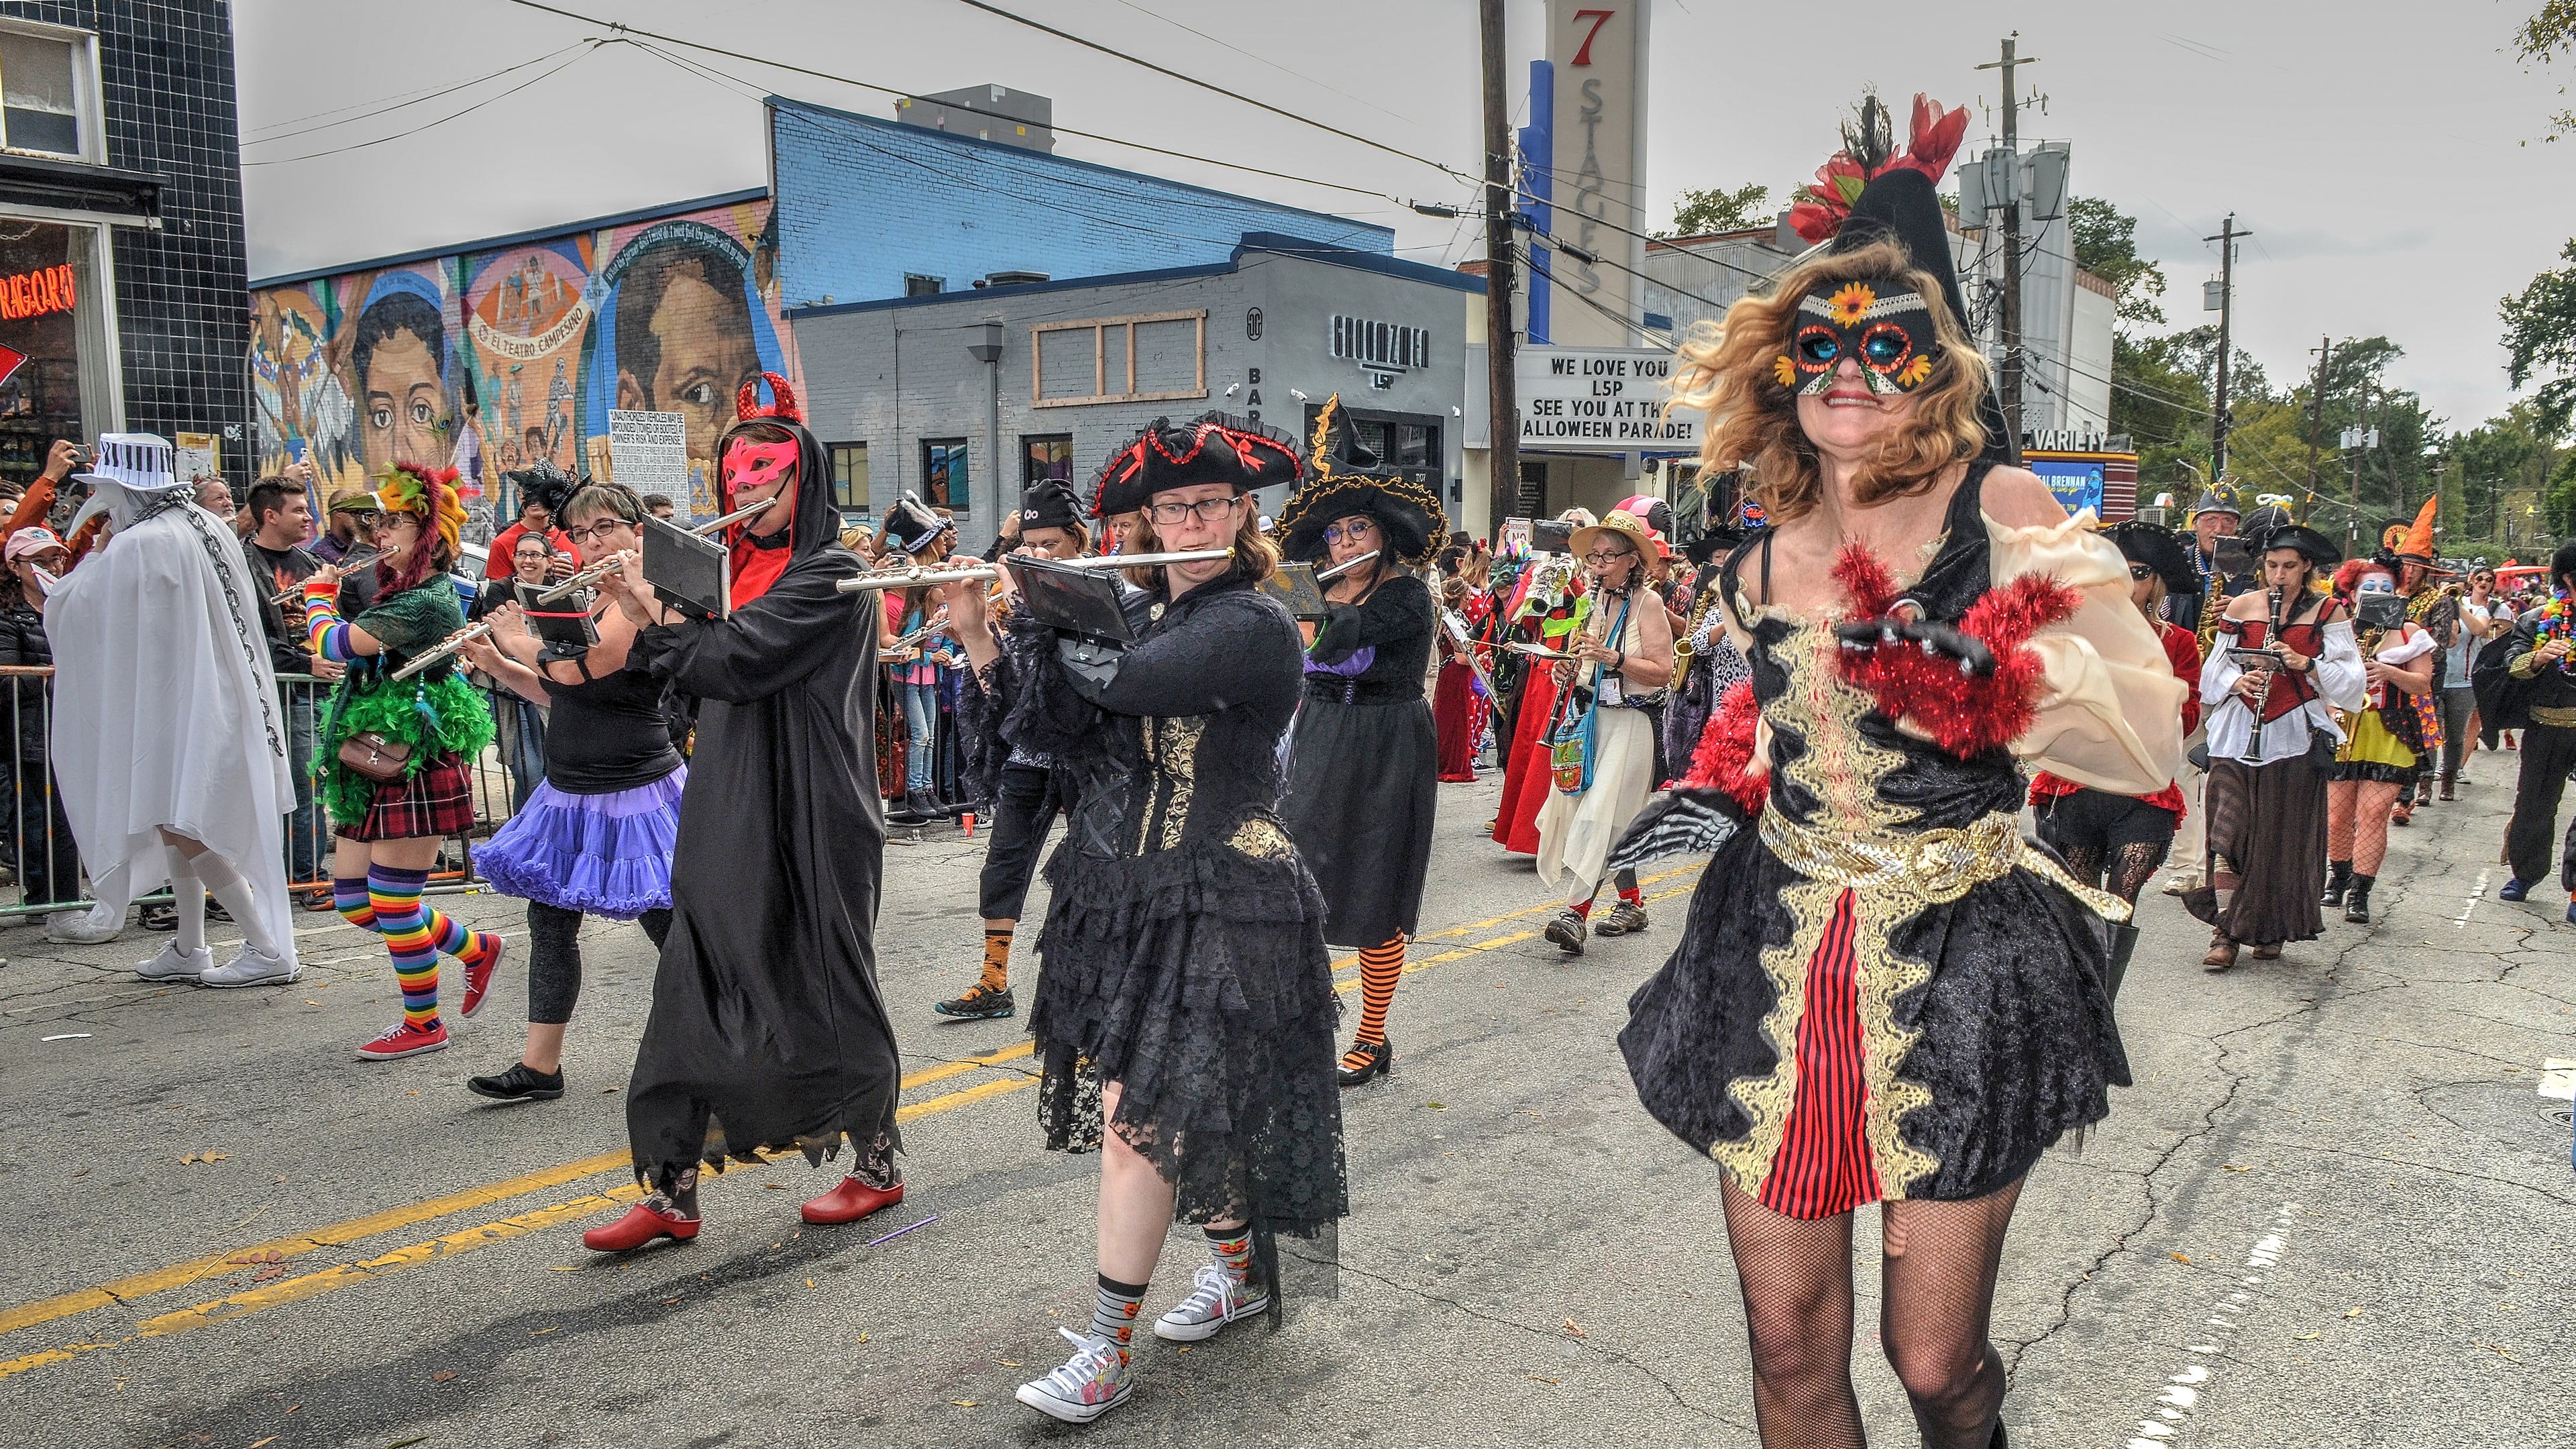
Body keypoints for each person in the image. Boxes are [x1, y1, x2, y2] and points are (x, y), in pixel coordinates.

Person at [1623, 97, 2184, 1449]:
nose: (1851, 371)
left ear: (1935, 368)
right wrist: (1714, 769)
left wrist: (1985, 680)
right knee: (1786, 1349)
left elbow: (2144, 740)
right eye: (1820, 346)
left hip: (1967, 957)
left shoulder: (2007, 516)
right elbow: (1774, 731)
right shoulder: (1758, 557)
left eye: (1890, 345)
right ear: (1780, 369)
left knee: (1932, 1361)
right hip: (1775, 951)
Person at [942, 413, 1342, 1426]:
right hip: (1118, 894)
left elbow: (1127, 683)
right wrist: (983, 630)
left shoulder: (1250, 619)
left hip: (1219, 893)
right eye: (1174, 506)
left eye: (1211, 502)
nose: (1194, 517)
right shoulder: (1142, 608)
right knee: (1172, 1113)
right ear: (1150, 517)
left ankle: (1106, 1351)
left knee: (1142, 1121)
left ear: (1243, 512)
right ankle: (1245, 1272)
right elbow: (1047, 743)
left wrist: (1046, 606)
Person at [578, 372, 906, 1252]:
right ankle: (673, 1193)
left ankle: (876, 1164)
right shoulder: (724, 565)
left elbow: (735, 660)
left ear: (807, 481)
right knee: (693, 979)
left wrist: (655, 605)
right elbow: (679, 680)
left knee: (825, 984)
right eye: (737, 482)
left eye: (768, 480)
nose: (748, 496)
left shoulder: (831, 572)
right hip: (728, 796)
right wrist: (640, 605)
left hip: (811, 800)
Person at [42, 435, 305, 987]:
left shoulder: (145, 542)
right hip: (205, 695)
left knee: (187, 822)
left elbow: (73, 604)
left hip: (184, 701)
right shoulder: (201, 525)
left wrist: (96, 551)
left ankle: (265, 947)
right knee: (173, 817)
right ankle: (190, 944)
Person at [458, 482, 685, 1102]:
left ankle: (722, 1050)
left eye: (605, 527)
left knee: (673, 931)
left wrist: (513, 637)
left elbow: (597, 664)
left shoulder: (645, 597)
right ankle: (541, 1066)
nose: (591, 542)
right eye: (581, 533)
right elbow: (563, 692)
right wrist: (499, 666)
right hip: (570, 792)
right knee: (551, 923)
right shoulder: (587, 596)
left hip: (636, 791)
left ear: (638, 532)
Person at [301, 464, 506, 1056]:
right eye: (376, 522)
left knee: (393, 901)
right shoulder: (399, 588)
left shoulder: (427, 597)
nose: (378, 534)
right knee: (352, 900)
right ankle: (474, 948)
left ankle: (424, 1025)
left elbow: (339, 645)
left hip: (415, 754)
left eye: (393, 523)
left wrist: (317, 599)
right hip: (378, 753)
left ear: (429, 534)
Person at [1278, 394, 1446, 1087]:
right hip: (1319, 734)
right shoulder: (1316, 586)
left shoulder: (1405, 596)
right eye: (1336, 533)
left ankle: (1372, 1037)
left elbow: (1337, 641)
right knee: (1294, 882)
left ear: (1382, 536)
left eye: (1356, 530)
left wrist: (1301, 599)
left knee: (1375, 889)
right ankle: (1302, 1019)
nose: (1343, 542)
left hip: (1386, 745)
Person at [932, 478, 1088, 1022]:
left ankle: (1098, 985)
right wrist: (973, 630)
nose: (1038, 554)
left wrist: (1024, 604)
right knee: (1003, 865)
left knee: (1098, 867)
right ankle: (994, 981)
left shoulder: (1095, 592)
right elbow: (1006, 694)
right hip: (1031, 757)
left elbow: (1073, 685)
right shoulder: (1018, 591)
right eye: (1031, 544)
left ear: (1078, 541)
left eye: (1051, 544)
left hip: (1084, 757)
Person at [2184, 521, 2364, 969]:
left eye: (2289, 566)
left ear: (2306, 568)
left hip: (2294, 738)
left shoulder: (2329, 614)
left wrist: (2310, 663)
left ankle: (2269, 927)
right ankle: (2224, 931)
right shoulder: (2243, 607)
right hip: (2236, 733)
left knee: (2279, 839)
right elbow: (2210, 677)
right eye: (2272, 565)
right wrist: (2237, 679)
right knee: (2228, 832)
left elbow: (2353, 689)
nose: (2279, 574)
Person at [2029, 522, 2204, 983]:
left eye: (2140, 572)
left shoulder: (2179, 643)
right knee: (2083, 915)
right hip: (2077, 787)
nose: (2127, 583)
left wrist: (2137, 697)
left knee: (2118, 907)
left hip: (2143, 792)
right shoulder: (2071, 635)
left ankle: (2103, 1007)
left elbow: (2186, 718)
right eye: (2115, 572)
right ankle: (2088, 1014)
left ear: (2157, 583)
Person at [1536, 507, 1674, 955]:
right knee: (1605, 817)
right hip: (1591, 721)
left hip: (1632, 722)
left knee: (1600, 815)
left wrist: (1614, 660)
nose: (1597, 564)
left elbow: (1662, 672)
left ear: (1631, 560)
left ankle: (1575, 915)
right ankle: (1632, 903)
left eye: (1607, 556)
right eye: (1593, 556)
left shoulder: (1648, 604)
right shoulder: (1592, 602)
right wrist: (1568, 672)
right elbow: (1585, 664)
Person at [2320, 555, 2438, 924]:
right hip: (2344, 729)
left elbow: (2423, 683)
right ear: (2352, 593)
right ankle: (2337, 879)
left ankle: (2361, 892)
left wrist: (2387, 670)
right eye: (2368, 587)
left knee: (2373, 815)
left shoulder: (2409, 633)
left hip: (2390, 732)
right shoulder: (2337, 628)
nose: (2377, 594)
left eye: (2386, 588)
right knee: (2337, 817)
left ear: (2398, 593)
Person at [2473, 540, 2576, 916]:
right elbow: (2511, 665)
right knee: (2535, 805)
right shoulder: (2537, 620)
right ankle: (2525, 874)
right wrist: (2538, 657)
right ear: (2569, 578)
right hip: (2546, 724)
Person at [1489, 510, 1595, 855]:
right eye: (1565, 527)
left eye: (1578, 528)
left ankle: (1569, 838)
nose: (1570, 535)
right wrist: (1540, 578)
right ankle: (1530, 835)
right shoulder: (1539, 571)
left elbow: (1593, 616)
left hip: (1581, 664)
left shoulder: (1595, 573)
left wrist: (1576, 582)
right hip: (1542, 668)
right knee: (1535, 750)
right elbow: (1512, 615)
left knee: (1572, 750)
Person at [1, 526, 78, 909]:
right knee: (48, 819)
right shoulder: (8, 615)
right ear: (16, 566)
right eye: (39, 560)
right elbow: (8, 680)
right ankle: (54, 902)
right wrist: (55, 673)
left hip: (77, 722)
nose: (51, 566)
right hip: (34, 730)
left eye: (57, 558)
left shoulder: (73, 604)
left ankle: (69, 899)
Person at [876, 494, 959, 822]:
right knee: (921, 734)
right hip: (909, 678)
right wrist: (929, 653)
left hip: (929, 680)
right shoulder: (914, 610)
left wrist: (945, 653)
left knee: (931, 736)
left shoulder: (937, 609)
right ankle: (915, 788)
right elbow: (910, 645)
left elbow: (945, 641)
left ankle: (926, 787)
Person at [2385, 500, 2458, 815]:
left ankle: (2413, 791)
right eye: (2405, 565)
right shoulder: (2388, 596)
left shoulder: (2439, 600)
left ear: (2425, 570)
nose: (2409, 572)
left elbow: (2440, 644)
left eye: (2415, 567)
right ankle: (2397, 791)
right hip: (2387, 674)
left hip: (2424, 676)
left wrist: (2412, 658)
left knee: (2422, 729)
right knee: (2390, 731)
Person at [1432, 541, 1497, 782]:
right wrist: (1479, 658)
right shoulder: (1457, 618)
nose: (1470, 601)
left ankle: (1444, 762)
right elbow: (1462, 656)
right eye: (1468, 598)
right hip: (1457, 671)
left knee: (1448, 719)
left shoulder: (1446, 616)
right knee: (1457, 721)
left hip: (1448, 671)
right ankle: (1454, 766)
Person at [2446, 565, 2500, 791]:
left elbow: (2479, 629)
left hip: (2466, 677)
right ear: (2471, 580)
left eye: (2489, 580)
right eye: (2479, 578)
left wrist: (2458, 605)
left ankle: (2452, 771)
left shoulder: (2482, 610)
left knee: (2457, 732)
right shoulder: (2451, 602)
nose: (2483, 583)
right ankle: (2428, 779)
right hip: (2439, 674)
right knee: (2432, 730)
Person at [484, 470, 574, 580]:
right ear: (519, 496)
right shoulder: (503, 543)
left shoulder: (575, 537)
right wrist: (534, 570)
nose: (535, 501)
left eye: (541, 493)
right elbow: (497, 594)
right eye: (527, 493)